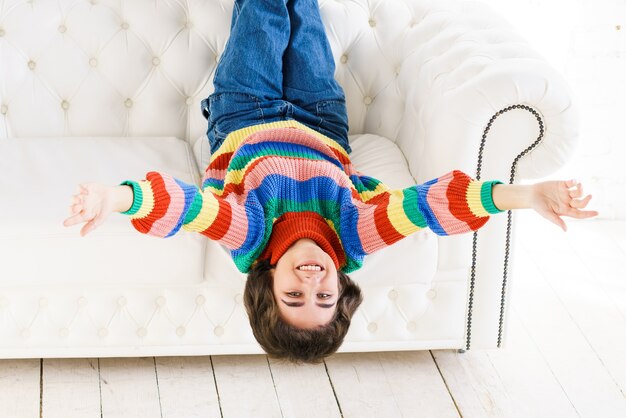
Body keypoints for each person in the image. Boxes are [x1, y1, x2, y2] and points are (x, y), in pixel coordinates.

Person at [63, 0, 598, 363]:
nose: (313, 281)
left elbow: (181, 207)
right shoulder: (355, 235)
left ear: (267, 284)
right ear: (341, 287)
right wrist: (527, 195)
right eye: (324, 296)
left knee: (267, 11)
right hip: (321, 119)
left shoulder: (248, 235)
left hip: (244, 112)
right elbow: (433, 205)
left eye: (295, 294)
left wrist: (113, 199)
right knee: (306, 14)